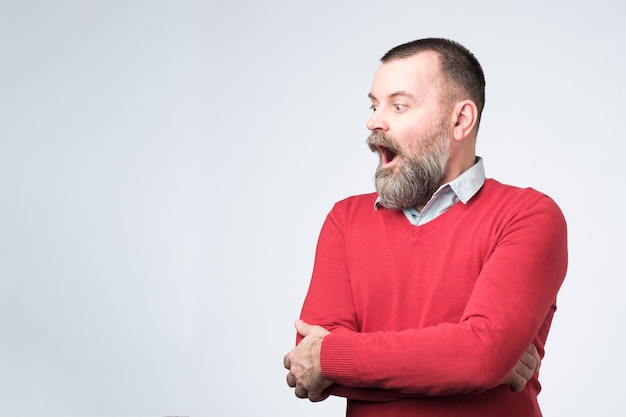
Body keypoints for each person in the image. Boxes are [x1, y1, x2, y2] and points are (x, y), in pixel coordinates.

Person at [283, 37, 568, 416]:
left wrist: (333, 357)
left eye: (398, 106)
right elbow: (307, 366)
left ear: (460, 119)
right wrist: (476, 364)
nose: (373, 121)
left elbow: (480, 358)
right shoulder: (345, 220)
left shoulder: (528, 216)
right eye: (373, 105)